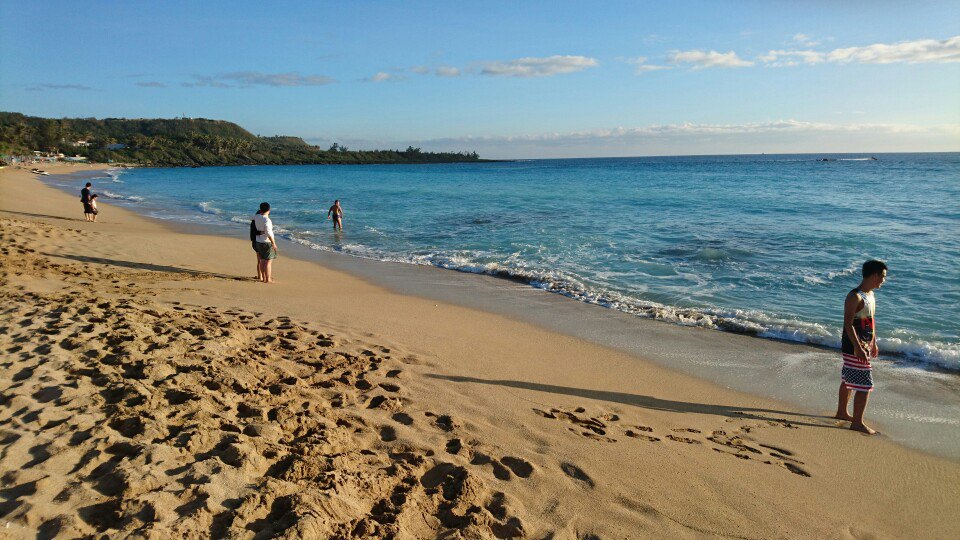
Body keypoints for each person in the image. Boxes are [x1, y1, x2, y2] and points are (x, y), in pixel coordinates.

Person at [834, 260, 888, 434]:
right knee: (865, 384)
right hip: (854, 345)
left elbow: (870, 320)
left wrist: (874, 341)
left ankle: (842, 412)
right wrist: (858, 347)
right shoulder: (854, 296)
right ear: (874, 275)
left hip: (864, 344)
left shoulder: (870, 295)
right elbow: (848, 324)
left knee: (848, 378)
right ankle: (857, 423)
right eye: (883, 277)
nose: (883, 281)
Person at [252, 202, 278, 283]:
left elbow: (251, 218)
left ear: (260, 209)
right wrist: (273, 243)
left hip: (258, 241)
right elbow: (269, 233)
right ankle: (268, 279)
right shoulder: (267, 220)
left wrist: (260, 232)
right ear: (269, 210)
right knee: (268, 261)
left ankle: (263, 278)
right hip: (267, 242)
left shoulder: (257, 217)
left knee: (262, 260)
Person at [250, 208, 264, 281]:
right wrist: (264, 232)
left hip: (254, 242)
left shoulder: (253, 222)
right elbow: (256, 232)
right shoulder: (257, 222)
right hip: (258, 242)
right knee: (262, 261)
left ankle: (260, 276)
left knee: (259, 260)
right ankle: (262, 277)